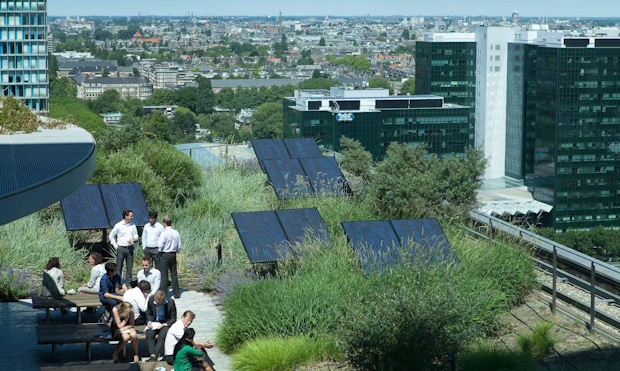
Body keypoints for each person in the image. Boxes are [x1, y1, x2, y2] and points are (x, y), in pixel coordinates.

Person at [146, 290, 177, 360]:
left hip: (165, 323)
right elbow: (149, 313)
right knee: (149, 334)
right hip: (154, 322)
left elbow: (173, 318)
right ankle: (152, 354)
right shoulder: (151, 300)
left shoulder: (170, 303)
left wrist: (164, 324)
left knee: (162, 336)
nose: (158, 304)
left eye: (160, 303)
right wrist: (149, 322)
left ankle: (154, 355)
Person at [109, 209, 139, 282]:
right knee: (119, 267)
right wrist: (116, 246)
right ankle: (118, 283)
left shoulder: (133, 225)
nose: (132, 217)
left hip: (130, 248)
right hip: (121, 248)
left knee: (129, 267)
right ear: (126, 216)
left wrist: (134, 238)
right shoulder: (118, 225)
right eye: (131, 216)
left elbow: (136, 235)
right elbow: (111, 236)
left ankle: (128, 283)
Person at [158, 216, 181, 298]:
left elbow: (160, 245)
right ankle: (176, 292)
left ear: (164, 223)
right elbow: (179, 245)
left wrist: (158, 240)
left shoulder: (163, 233)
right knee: (174, 273)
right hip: (173, 254)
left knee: (164, 275)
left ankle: (163, 293)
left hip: (165, 254)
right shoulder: (176, 232)